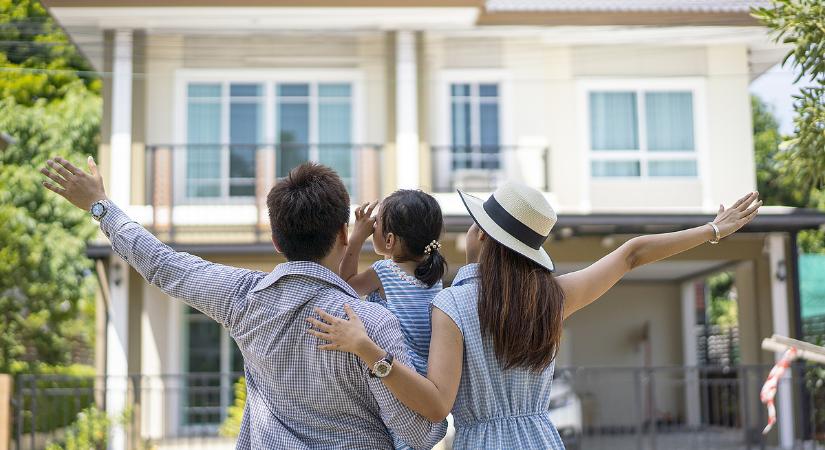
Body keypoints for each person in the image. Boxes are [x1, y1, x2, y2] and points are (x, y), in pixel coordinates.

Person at [308, 181, 762, 449]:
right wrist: (711, 231)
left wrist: (368, 350)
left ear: (483, 239)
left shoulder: (451, 305)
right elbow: (631, 255)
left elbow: (437, 404)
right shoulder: (552, 297)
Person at [40, 156, 446, 450]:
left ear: (275, 242)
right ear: (344, 234)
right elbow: (419, 433)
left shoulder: (244, 298)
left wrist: (101, 207)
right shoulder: (371, 325)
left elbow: (164, 265)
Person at [338, 190, 447, 449]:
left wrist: (355, 238)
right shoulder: (434, 277)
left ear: (389, 241)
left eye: (375, 226)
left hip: (394, 372)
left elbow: (344, 285)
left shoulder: (385, 271)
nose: (371, 228)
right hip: (425, 379)